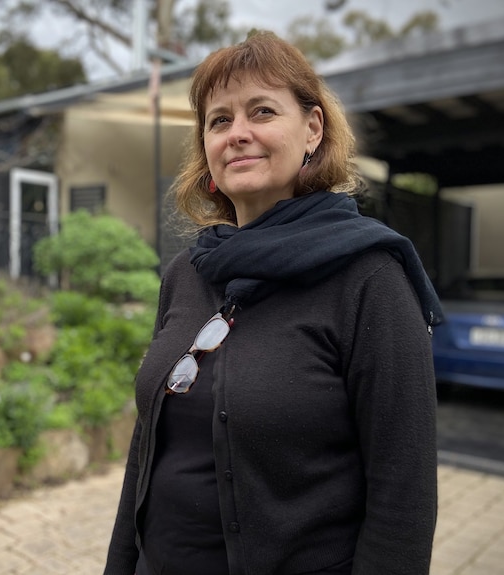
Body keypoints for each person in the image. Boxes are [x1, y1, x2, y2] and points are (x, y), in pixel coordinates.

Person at [104, 30, 443, 575]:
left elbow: (403, 497)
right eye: (219, 120)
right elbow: (148, 449)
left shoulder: (369, 279)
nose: (238, 134)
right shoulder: (187, 274)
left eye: (261, 112)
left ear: (312, 129)